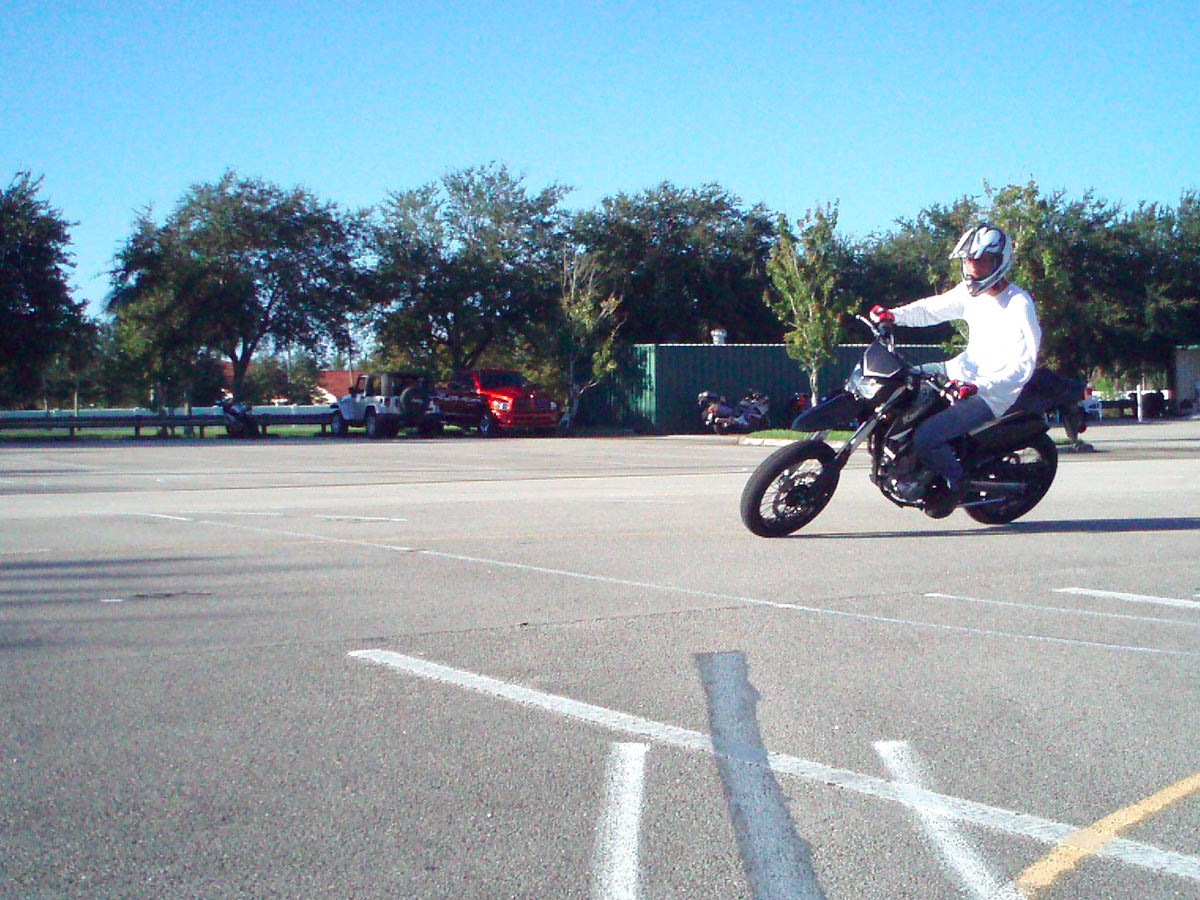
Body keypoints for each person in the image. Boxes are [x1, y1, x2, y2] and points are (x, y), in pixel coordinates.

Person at [869, 223, 1041, 502]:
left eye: (981, 261)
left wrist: (979, 386)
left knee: (927, 437)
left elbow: (1023, 365)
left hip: (989, 394)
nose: (973, 267)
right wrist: (893, 315)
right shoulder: (969, 293)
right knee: (896, 384)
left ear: (999, 261)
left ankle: (957, 483)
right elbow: (931, 309)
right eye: (969, 260)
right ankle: (903, 463)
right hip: (955, 372)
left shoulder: (1018, 304)